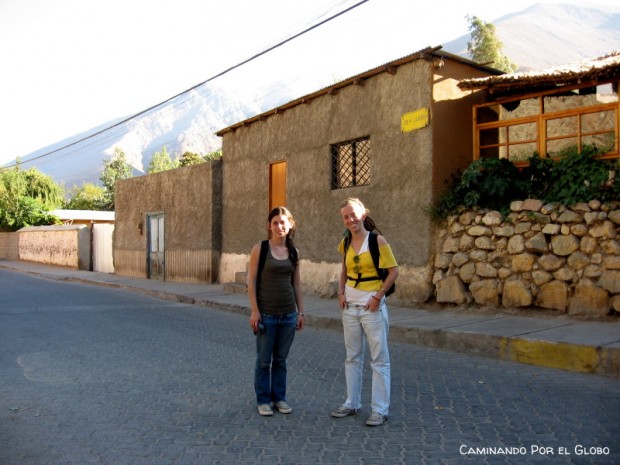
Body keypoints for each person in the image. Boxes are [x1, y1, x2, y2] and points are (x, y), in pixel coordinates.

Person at [331, 198, 399, 426]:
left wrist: (378, 297)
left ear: (363, 213)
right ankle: (352, 403)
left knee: (379, 359)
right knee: (352, 357)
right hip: (349, 306)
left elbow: (393, 271)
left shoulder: (377, 240)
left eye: (353, 214)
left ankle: (379, 409)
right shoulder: (346, 241)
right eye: (345, 217)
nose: (350, 220)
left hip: (372, 307)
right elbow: (344, 269)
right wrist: (340, 292)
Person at [247, 206, 304, 417]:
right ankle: (263, 399)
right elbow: (251, 282)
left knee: (280, 360)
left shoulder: (294, 252)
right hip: (267, 315)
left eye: (283, 222)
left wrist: (301, 312)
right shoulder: (260, 249)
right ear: (269, 226)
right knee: (264, 361)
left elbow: (297, 285)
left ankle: (279, 398)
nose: (280, 226)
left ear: (290, 225)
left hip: (288, 314)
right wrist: (255, 311)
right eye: (275, 223)